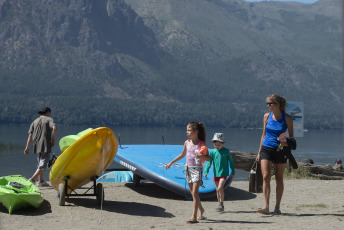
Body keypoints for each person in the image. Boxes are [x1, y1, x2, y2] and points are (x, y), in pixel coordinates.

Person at [256, 94, 294, 215]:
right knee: (266, 176)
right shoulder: (266, 117)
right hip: (266, 148)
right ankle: (266, 206)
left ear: (277, 104)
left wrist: (289, 153)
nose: (268, 106)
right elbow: (263, 135)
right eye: (267, 103)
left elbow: (291, 138)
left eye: (270, 103)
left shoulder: (287, 118)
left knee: (279, 178)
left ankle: (277, 207)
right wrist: (259, 152)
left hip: (280, 149)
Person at [165, 122, 209, 223]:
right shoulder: (187, 142)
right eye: (187, 130)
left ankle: (194, 217)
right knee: (193, 193)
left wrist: (201, 156)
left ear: (196, 132)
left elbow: (208, 158)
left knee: (195, 192)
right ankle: (201, 209)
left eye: (189, 130)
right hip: (188, 169)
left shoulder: (202, 144)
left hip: (197, 169)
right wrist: (171, 162)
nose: (187, 132)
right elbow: (182, 154)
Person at [24, 106, 57, 187]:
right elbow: (54, 128)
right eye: (49, 113)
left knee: (39, 164)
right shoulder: (49, 119)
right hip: (45, 145)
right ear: (48, 112)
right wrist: (53, 139)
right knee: (43, 165)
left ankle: (41, 181)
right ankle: (32, 179)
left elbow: (30, 136)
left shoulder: (34, 122)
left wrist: (27, 147)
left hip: (36, 146)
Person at [204, 133, 235, 212]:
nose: (217, 146)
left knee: (220, 187)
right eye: (215, 145)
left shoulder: (226, 151)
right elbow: (209, 162)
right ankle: (220, 204)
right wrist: (206, 171)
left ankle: (221, 203)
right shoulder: (213, 152)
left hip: (224, 173)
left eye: (218, 145)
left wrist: (233, 172)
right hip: (216, 173)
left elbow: (231, 162)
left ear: (222, 143)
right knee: (217, 190)